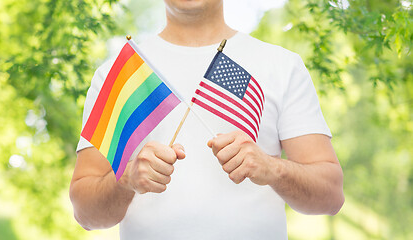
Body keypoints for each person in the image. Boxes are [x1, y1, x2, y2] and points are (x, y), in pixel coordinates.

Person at [69, 0, 345, 239]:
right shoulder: (120, 75)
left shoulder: (282, 66)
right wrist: (126, 178)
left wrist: (272, 168)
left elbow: (331, 195)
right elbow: (85, 213)